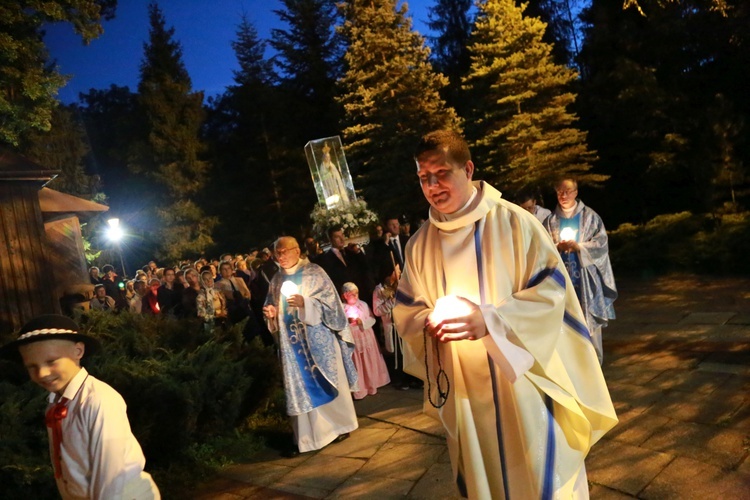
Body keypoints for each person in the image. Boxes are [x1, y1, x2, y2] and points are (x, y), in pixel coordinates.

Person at [393, 130, 617, 499]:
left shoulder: (515, 223)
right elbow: (408, 310)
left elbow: (552, 293)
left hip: (524, 382)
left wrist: (490, 321)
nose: (432, 185)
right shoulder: (420, 244)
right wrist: (429, 325)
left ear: (467, 169)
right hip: (465, 386)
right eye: (423, 177)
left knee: (538, 474)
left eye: (441, 173)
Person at [0, 314, 160, 499]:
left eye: (51, 361)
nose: (42, 373)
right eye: (31, 366)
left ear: (78, 351)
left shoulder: (98, 400)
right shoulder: (54, 405)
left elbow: (110, 477)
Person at [262, 236, 359, 456]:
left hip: (318, 341)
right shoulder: (276, 279)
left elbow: (332, 306)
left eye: (284, 251)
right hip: (293, 347)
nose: (280, 256)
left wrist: (306, 303)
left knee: (327, 382)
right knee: (301, 389)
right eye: (277, 252)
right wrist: (272, 313)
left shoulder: (315, 273)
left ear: (297, 251)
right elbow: (271, 304)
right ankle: (307, 438)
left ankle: (339, 426)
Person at [543, 177, 617, 364]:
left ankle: (594, 362)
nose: (564, 195)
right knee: (564, 324)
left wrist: (579, 247)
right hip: (560, 282)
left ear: (576, 192)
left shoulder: (590, 217)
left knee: (589, 323)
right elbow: (542, 248)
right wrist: (556, 248)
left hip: (585, 281)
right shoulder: (550, 221)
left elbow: (601, 244)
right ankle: (570, 364)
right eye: (560, 191)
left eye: (568, 191)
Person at [341, 282, 390, 399]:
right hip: (353, 340)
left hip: (366, 338)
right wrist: (347, 321)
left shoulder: (363, 305)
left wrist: (362, 322)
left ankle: (371, 385)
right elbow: (339, 323)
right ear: (344, 296)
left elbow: (372, 319)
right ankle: (359, 388)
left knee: (368, 361)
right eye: (351, 294)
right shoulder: (342, 308)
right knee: (357, 363)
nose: (355, 296)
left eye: (356, 293)